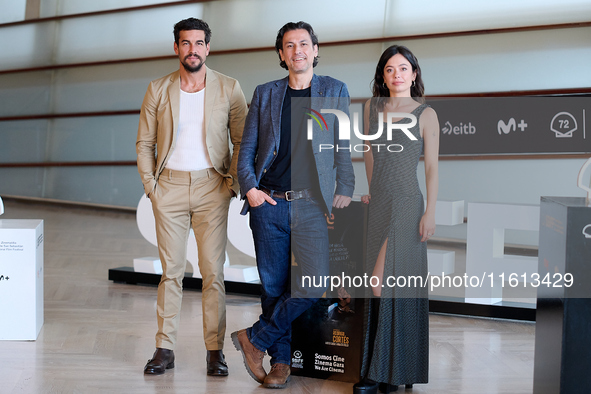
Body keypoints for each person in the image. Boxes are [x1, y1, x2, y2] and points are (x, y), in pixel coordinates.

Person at [231, 21, 355, 389]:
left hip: (312, 205)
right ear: (281, 54)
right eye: (289, 45)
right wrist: (250, 189)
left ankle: (254, 338)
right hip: (269, 203)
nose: (297, 50)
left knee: (313, 283)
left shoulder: (334, 91)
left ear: (315, 49)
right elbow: (247, 150)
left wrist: (346, 185)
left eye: (304, 43)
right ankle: (280, 363)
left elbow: (343, 147)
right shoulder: (266, 93)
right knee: (273, 286)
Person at [136, 17, 247, 376]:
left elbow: (243, 140)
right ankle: (164, 349)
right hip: (167, 187)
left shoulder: (229, 88)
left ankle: (215, 351)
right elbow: (145, 143)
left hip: (212, 188)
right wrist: (151, 186)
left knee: (213, 272)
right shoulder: (158, 88)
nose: (193, 49)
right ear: (176, 48)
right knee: (170, 272)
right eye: (186, 43)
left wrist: (232, 183)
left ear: (208, 48)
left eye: (199, 43)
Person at [354, 45, 439, 393]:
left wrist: (430, 210)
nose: (397, 75)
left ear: (414, 74)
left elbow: (432, 166)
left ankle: (389, 368)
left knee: (382, 281)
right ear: (382, 75)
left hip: (407, 204)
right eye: (389, 69)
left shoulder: (426, 113)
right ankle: (382, 371)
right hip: (380, 204)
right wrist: (372, 191)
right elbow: (369, 154)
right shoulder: (371, 109)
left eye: (403, 68)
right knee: (379, 291)